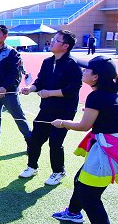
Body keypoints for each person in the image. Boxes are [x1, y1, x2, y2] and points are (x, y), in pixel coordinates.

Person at [51, 56, 118, 224]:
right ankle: (73, 212)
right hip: (112, 150)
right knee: (80, 180)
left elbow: (84, 126)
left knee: (90, 196)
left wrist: (62, 123)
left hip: (107, 153)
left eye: (87, 70)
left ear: (96, 77)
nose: (84, 72)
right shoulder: (109, 94)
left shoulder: (96, 97)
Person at [19, 30, 83, 185]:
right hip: (47, 108)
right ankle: (32, 166)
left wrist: (49, 93)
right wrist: (31, 88)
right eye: (53, 39)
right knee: (35, 138)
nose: (52, 42)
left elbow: (73, 89)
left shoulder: (73, 64)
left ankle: (58, 171)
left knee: (55, 142)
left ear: (65, 46)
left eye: (56, 40)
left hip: (64, 111)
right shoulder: (47, 62)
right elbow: (40, 81)